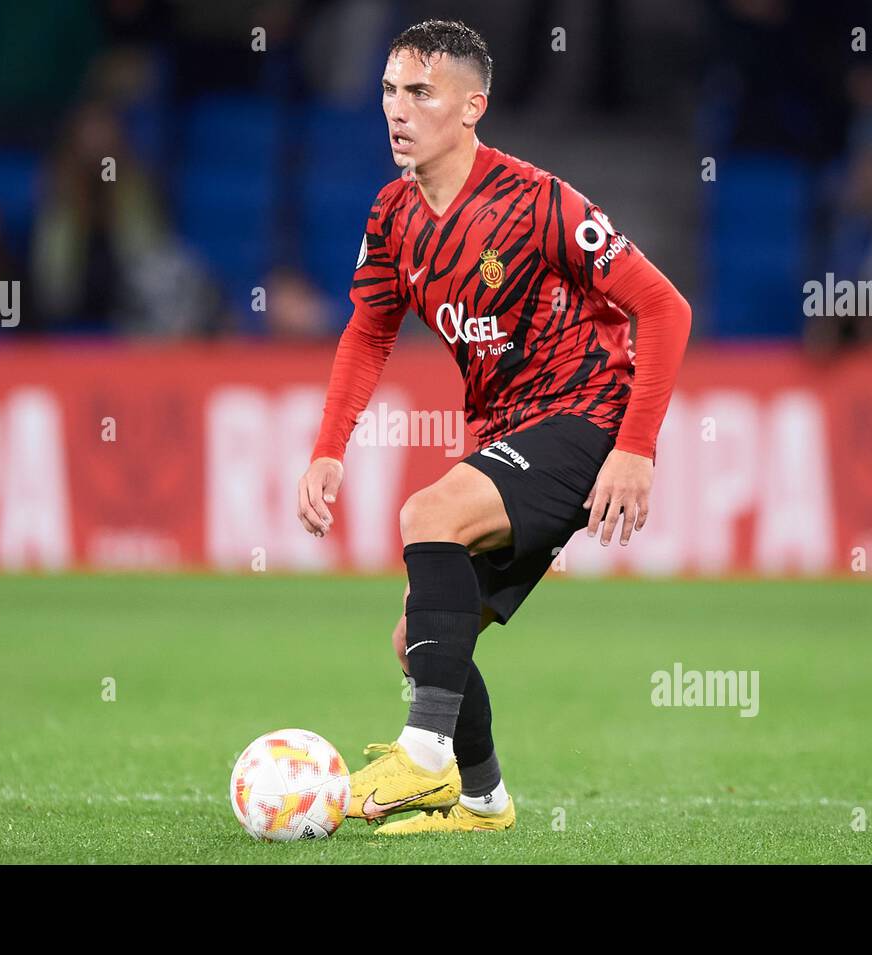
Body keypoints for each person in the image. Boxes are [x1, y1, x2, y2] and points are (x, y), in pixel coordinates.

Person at [296, 20, 691, 834]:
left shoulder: (539, 202)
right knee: (420, 640)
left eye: (419, 93)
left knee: (427, 514)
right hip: (507, 429)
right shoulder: (394, 215)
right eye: (388, 91)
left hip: (585, 417)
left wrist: (636, 448)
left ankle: (425, 752)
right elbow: (369, 331)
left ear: (472, 106)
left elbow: (665, 306)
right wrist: (328, 446)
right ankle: (481, 800)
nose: (396, 111)